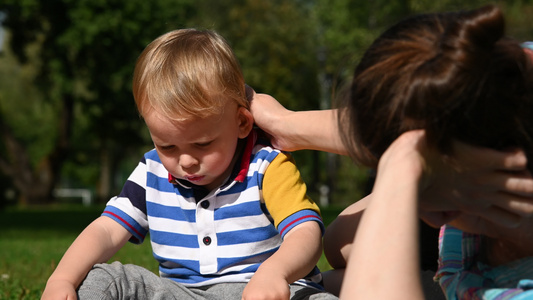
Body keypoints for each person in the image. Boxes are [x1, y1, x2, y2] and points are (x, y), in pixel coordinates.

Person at [250, 6, 533, 299]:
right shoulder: (507, 79)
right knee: (337, 243)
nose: (431, 217)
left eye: (425, 178)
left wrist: (402, 167)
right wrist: (286, 123)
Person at [41, 29, 337, 300]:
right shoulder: (152, 171)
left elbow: (305, 232)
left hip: (264, 291)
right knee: (103, 279)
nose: (185, 161)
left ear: (241, 123)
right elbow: (106, 230)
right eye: (167, 145)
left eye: (203, 144)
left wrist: (276, 273)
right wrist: (62, 279)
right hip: (182, 293)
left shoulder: (267, 165)